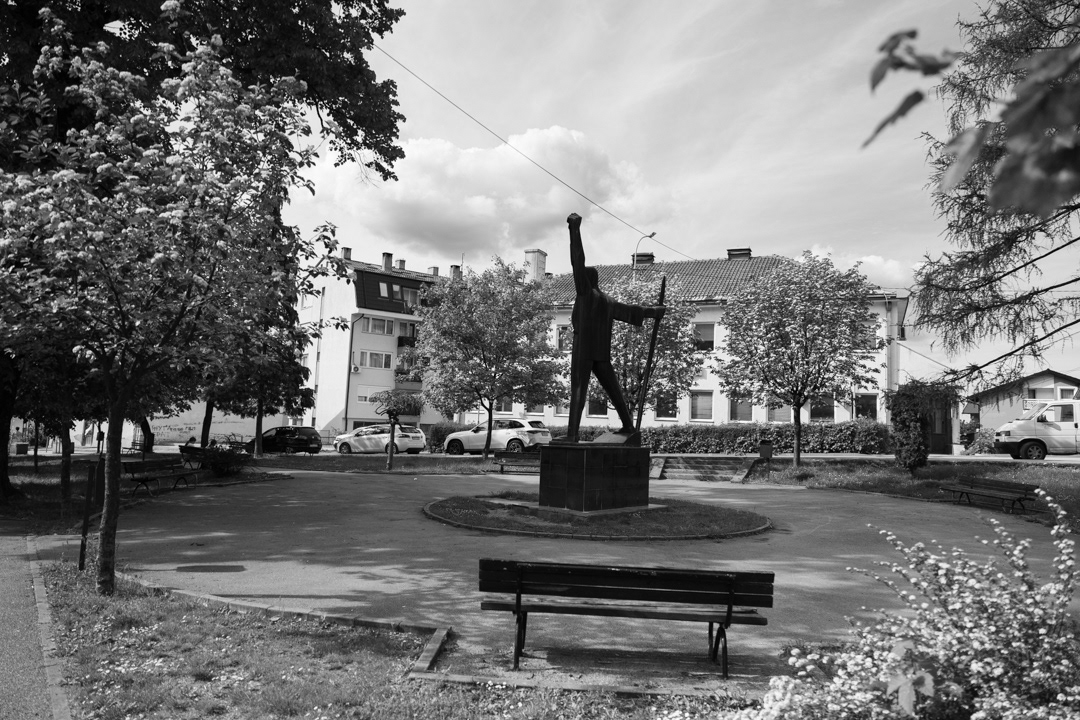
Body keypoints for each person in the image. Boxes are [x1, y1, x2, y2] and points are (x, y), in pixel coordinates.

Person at [565, 213, 664, 442]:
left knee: (578, 390)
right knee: (615, 390)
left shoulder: (585, 293)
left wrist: (574, 230)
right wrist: (655, 312)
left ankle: (571, 435)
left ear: (585, 280)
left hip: (584, 351)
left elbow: (576, 260)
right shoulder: (608, 301)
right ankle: (628, 425)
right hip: (601, 354)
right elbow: (632, 312)